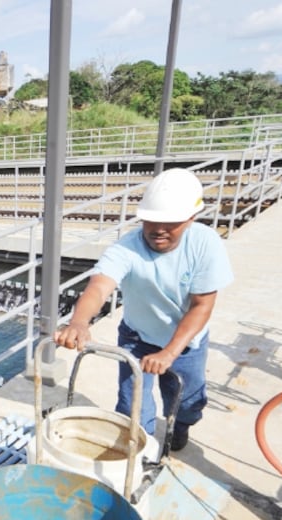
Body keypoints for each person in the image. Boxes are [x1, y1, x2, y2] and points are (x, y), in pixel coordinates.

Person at [53, 168, 234, 451]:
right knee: (132, 403)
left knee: (186, 401)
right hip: (137, 337)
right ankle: (142, 452)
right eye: (151, 220)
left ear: (190, 218)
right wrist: (78, 322)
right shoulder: (128, 247)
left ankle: (181, 425)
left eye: (170, 222)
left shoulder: (204, 244)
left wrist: (169, 353)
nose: (158, 229)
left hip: (185, 342)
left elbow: (202, 306)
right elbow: (99, 287)